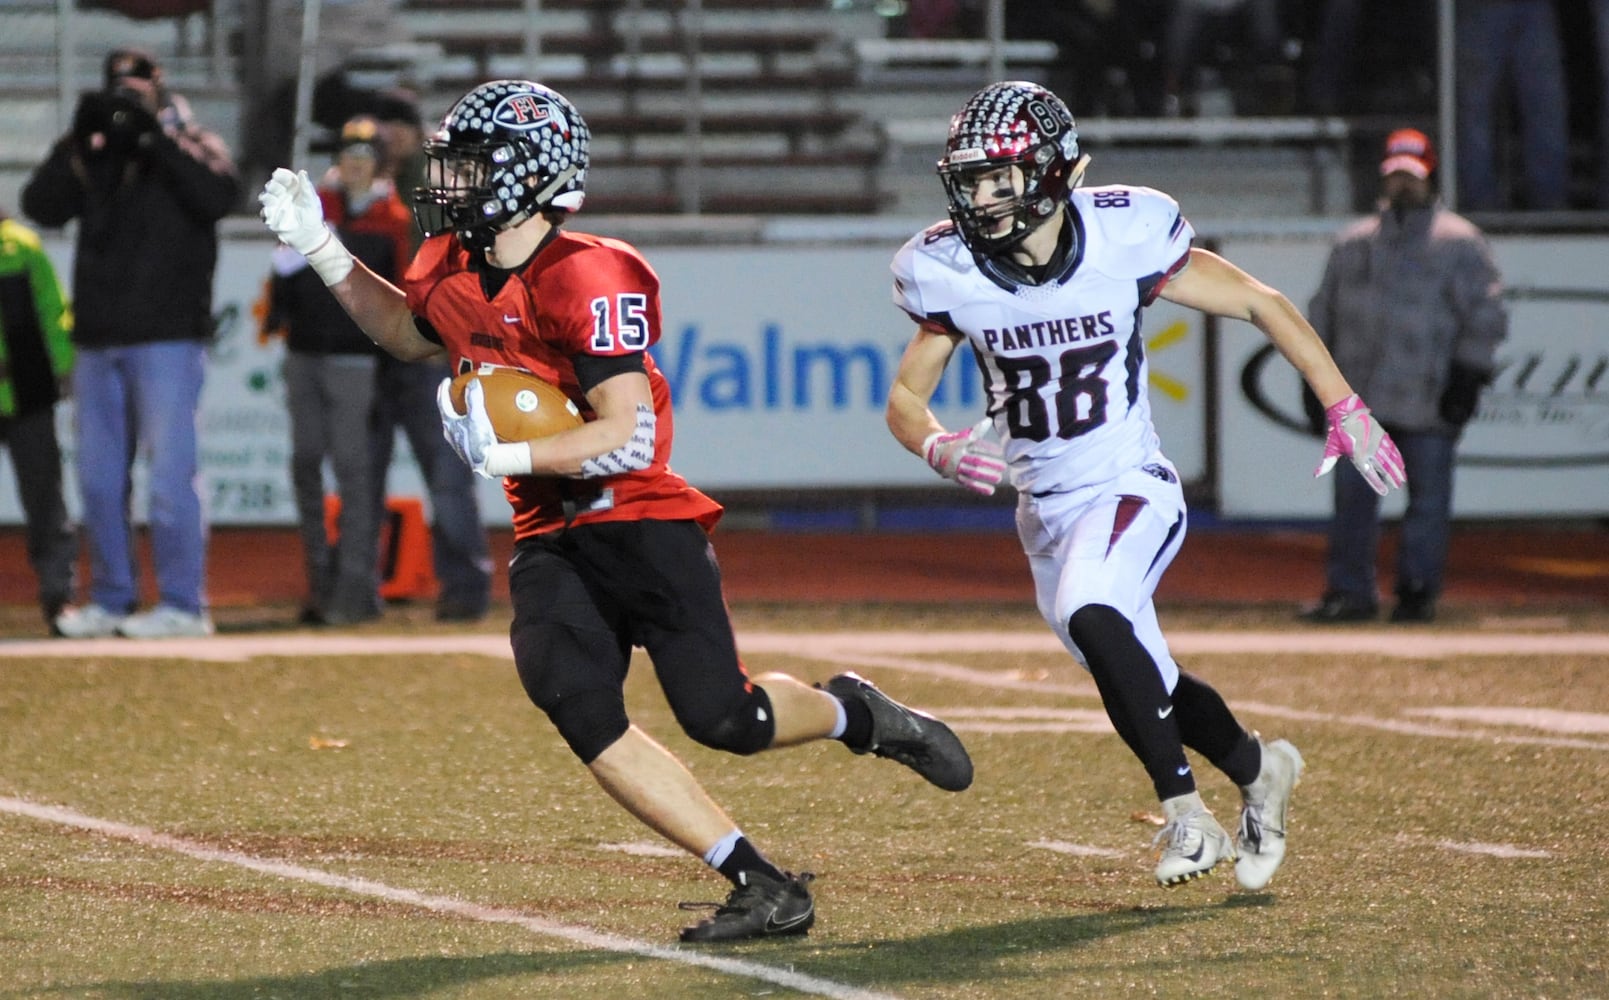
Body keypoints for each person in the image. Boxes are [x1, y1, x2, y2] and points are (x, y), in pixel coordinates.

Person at [259, 78, 975, 941]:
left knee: (725, 719)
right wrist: (324, 250)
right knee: (572, 696)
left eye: (472, 165)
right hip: (549, 529)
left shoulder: (586, 270)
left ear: (529, 175)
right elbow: (410, 334)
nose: (447, 180)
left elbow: (627, 435)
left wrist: (509, 453)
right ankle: (760, 883)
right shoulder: (450, 261)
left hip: (636, 516)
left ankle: (857, 713)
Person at [885, 80, 1405, 890]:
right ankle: (1258, 767)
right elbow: (905, 399)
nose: (981, 198)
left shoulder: (1124, 234)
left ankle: (1187, 819)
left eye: (1000, 177)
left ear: (1054, 173)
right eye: (972, 179)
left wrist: (1342, 402)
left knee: (1091, 613)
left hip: (1128, 482)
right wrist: (938, 447)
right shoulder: (948, 270)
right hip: (1044, 512)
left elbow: (1259, 302)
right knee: (1142, 674)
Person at [21, 47, 240, 639]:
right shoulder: (93, 153)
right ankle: (113, 599)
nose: (127, 94)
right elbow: (38, 205)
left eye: (137, 84)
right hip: (97, 337)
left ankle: (183, 605)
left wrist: (155, 137)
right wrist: (80, 137)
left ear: (160, 86)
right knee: (96, 480)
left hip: (167, 336)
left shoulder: (191, 140)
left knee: (169, 477)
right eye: (118, 85)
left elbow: (219, 196)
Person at [1300, 129, 1507, 624]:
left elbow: (1486, 316)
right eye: (1396, 174)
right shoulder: (1353, 243)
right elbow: (1321, 314)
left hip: (1428, 394)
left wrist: (1468, 376)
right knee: (1352, 504)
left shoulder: (1461, 244)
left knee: (1428, 505)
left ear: (1430, 176)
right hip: (1360, 401)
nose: (1403, 184)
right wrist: (1314, 383)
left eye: (1411, 175)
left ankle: (1417, 591)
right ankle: (1349, 592)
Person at [265, 117, 405, 625]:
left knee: (352, 471)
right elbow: (282, 278)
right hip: (306, 352)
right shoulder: (319, 209)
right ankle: (320, 584)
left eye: (364, 157)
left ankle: (354, 589)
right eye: (349, 156)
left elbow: (398, 294)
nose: (354, 165)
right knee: (305, 462)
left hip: (354, 358)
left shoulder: (393, 219)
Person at [366, 88, 495, 623]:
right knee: (374, 476)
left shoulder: (425, 181)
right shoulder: (374, 183)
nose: (385, 138)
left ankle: (465, 589)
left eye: (393, 126)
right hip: (388, 348)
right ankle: (361, 589)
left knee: (446, 475)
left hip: (426, 350)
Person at [0, 208, 78, 635]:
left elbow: (53, 309)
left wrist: (64, 368)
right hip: (25, 388)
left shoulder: (21, 246)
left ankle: (58, 596)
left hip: (27, 390)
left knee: (44, 497)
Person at [1455, 0, 1570, 211]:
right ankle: (1480, 207)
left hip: (1533, 8)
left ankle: (1550, 208)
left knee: (1546, 108)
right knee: (1474, 112)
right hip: (1479, 8)